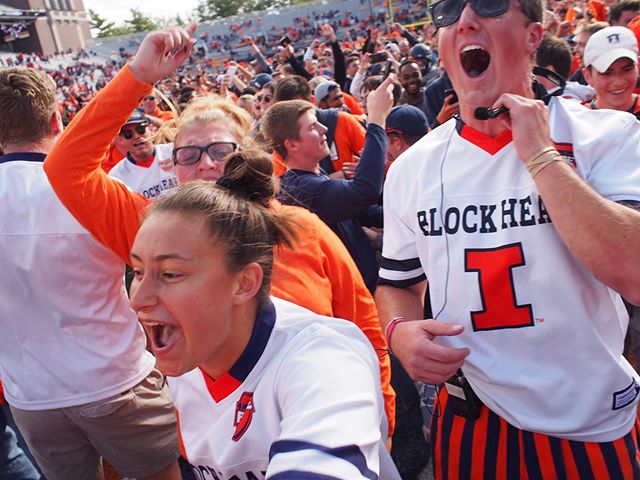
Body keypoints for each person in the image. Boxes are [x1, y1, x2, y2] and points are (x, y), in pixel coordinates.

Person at [42, 25, 396, 440]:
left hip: (325, 430)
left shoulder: (299, 227)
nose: (206, 165)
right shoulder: (151, 231)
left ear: (246, 156)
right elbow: (65, 168)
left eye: (221, 151)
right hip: (215, 448)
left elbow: (362, 325)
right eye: (188, 155)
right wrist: (138, 75)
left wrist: (381, 417)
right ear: (172, 169)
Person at [377, 0, 640, 476]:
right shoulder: (412, 168)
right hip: (472, 418)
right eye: (448, 10)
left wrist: (540, 154)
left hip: (590, 418)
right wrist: (399, 332)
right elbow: (397, 283)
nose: (465, 20)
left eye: (491, 5)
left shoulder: (606, 134)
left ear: (535, 36)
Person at [129, 155, 399, 478]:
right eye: (137, 271)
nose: (138, 300)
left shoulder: (323, 357)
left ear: (244, 283)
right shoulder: (189, 354)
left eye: (170, 274)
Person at [0, 67, 180, 480]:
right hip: (117, 381)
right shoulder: (92, 188)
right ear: (56, 120)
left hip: (32, 399)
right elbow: (169, 268)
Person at [262, 76, 393, 293]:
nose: (324, 129)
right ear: (292, 144)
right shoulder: (300, 188)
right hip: (353, 297)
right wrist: (376, 121)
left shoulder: (313, 172)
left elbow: (359, 211)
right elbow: (364, 191)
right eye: (313, 127)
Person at [108, 110, 177, 199]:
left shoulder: (174, 151)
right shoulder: (116, 176)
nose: (136, 136)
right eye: (128, 134)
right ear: (121, 140)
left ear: (151, 129)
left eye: (141, 129)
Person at [583, 26, 640, 115]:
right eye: (607, 73)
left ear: (638, 67)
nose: (619, 82)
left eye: (627, 69)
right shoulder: (577, 121)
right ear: (588, 76)